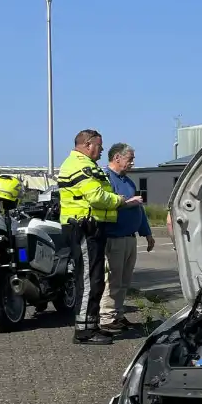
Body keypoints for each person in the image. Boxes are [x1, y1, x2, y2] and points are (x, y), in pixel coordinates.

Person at [57, 129, 143, 345]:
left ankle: (91, 326)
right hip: (83, 227)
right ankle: (84, 331)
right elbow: (96, 196)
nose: (101, 150)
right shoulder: (79, 165)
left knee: (95, 279)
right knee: (88, 280)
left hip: (91, 227)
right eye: (99, 146)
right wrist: (120, 200)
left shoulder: (88, 165)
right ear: (88, 144)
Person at [98, 143, 155, 331]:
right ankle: (107, 317)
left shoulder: (128, 182)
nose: (132, 162)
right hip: (114, 237)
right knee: (113, 280)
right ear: (117, 158)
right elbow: (104, 203)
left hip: (130, 238)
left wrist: (147, 233)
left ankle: (118, 315)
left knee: (124, 281)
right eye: (129, 158)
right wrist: (128, 203)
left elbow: (139, 209)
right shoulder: (105, 179)